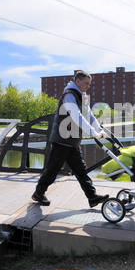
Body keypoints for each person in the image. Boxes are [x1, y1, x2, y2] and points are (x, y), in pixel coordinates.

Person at [31, 70, 109, 207]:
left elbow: (89, 115)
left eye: (89, 84)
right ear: (77, 81)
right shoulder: (68, 95)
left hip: (72, 142)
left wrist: (99, 130)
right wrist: (92, 132)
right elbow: (76, 116)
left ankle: (92, 197)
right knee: (52, 170)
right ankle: (39, 193)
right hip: (62, 140)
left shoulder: (82, 95)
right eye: (86, 83)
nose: (88, 86)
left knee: (81, 170)